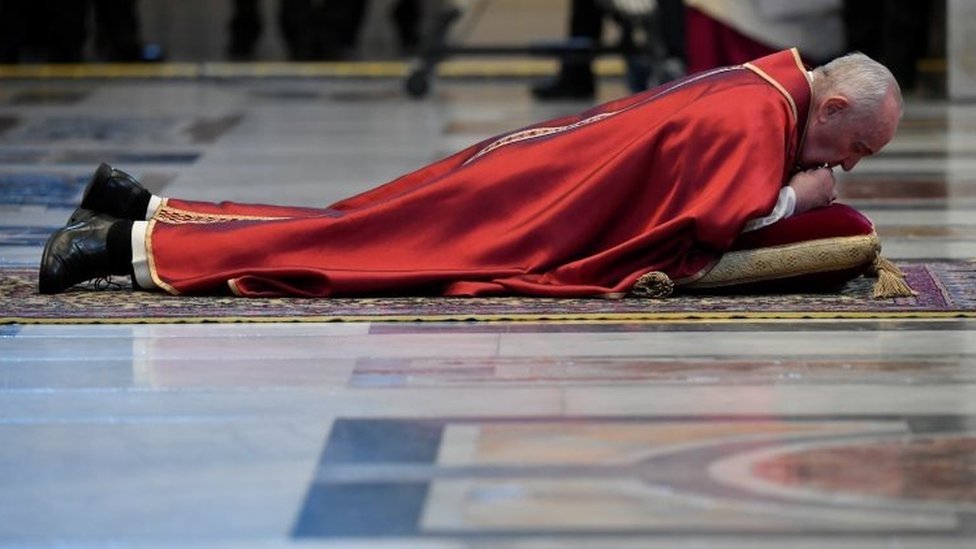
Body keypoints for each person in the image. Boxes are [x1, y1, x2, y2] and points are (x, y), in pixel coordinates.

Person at [39, 49, 902, 298]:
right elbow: (717, 224)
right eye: (855, 147)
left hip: (535, 173)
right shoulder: (758, 117)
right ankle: (119, 247)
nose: (848, 165)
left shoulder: (764, 88)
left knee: (355, 227)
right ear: (830, 108)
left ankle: (142, 204)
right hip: (535, 212)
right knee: (358, 249)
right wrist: (804, 195)